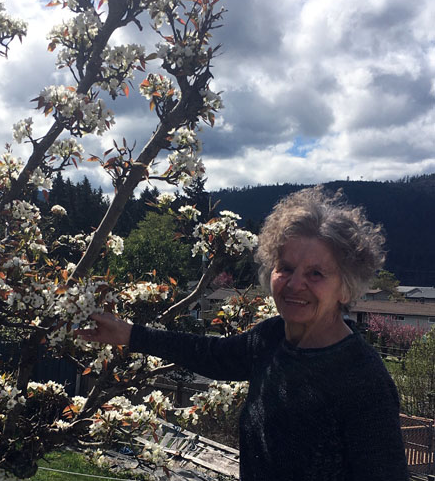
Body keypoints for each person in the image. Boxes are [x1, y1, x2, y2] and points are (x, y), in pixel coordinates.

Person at [77, 187, 409, 481]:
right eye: (286, 268)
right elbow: (210, 354)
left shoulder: (364, 379)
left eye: (316, 273)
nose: (295, 284)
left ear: (346, 288)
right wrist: (130, 334)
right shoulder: (271, 339)